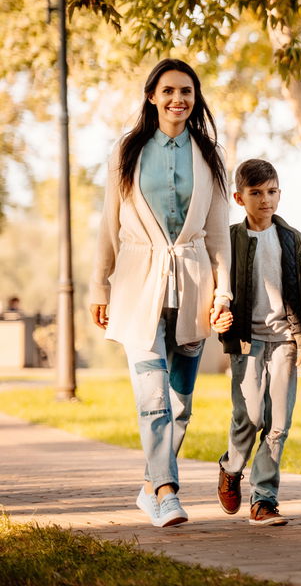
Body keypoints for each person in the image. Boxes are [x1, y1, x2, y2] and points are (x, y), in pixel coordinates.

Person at [89, 58, 233, 528]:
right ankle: (167, 492)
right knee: (152, 395)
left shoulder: (210, 155)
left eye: (186, 92)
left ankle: (151, 482)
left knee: (180, 403)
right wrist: (99, 286)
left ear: (196, 99)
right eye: (168, 90)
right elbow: (108, 224)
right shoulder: (126, 150)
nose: (178, 99)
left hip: (193, 287)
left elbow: (217, 234)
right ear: (151, 95)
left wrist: (223, 292)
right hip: (137, 284)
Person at [215, 158, 301, 526]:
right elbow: (217, 289)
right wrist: (219, 318)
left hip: (285, 341)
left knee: (278, 423)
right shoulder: (229, 239)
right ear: (239, 198)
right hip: (246, 341)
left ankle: (264, 499)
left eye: (271, 192)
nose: (265, 200)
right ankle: (231, 467)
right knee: (250, 415)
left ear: (280, 193)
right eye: (256, 193)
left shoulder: (291, 238)